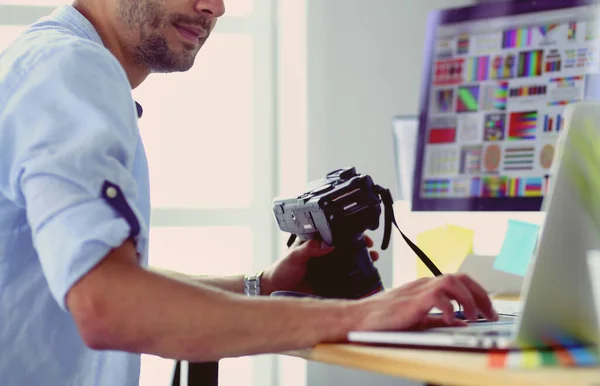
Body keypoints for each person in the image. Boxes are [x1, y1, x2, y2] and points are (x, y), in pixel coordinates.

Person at [0, 0, 498, 385]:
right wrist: (360, 315)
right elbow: (108, 305)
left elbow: (99, 281)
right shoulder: (73, 70)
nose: (215, 6)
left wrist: (264, 283)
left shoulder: (51, 65)